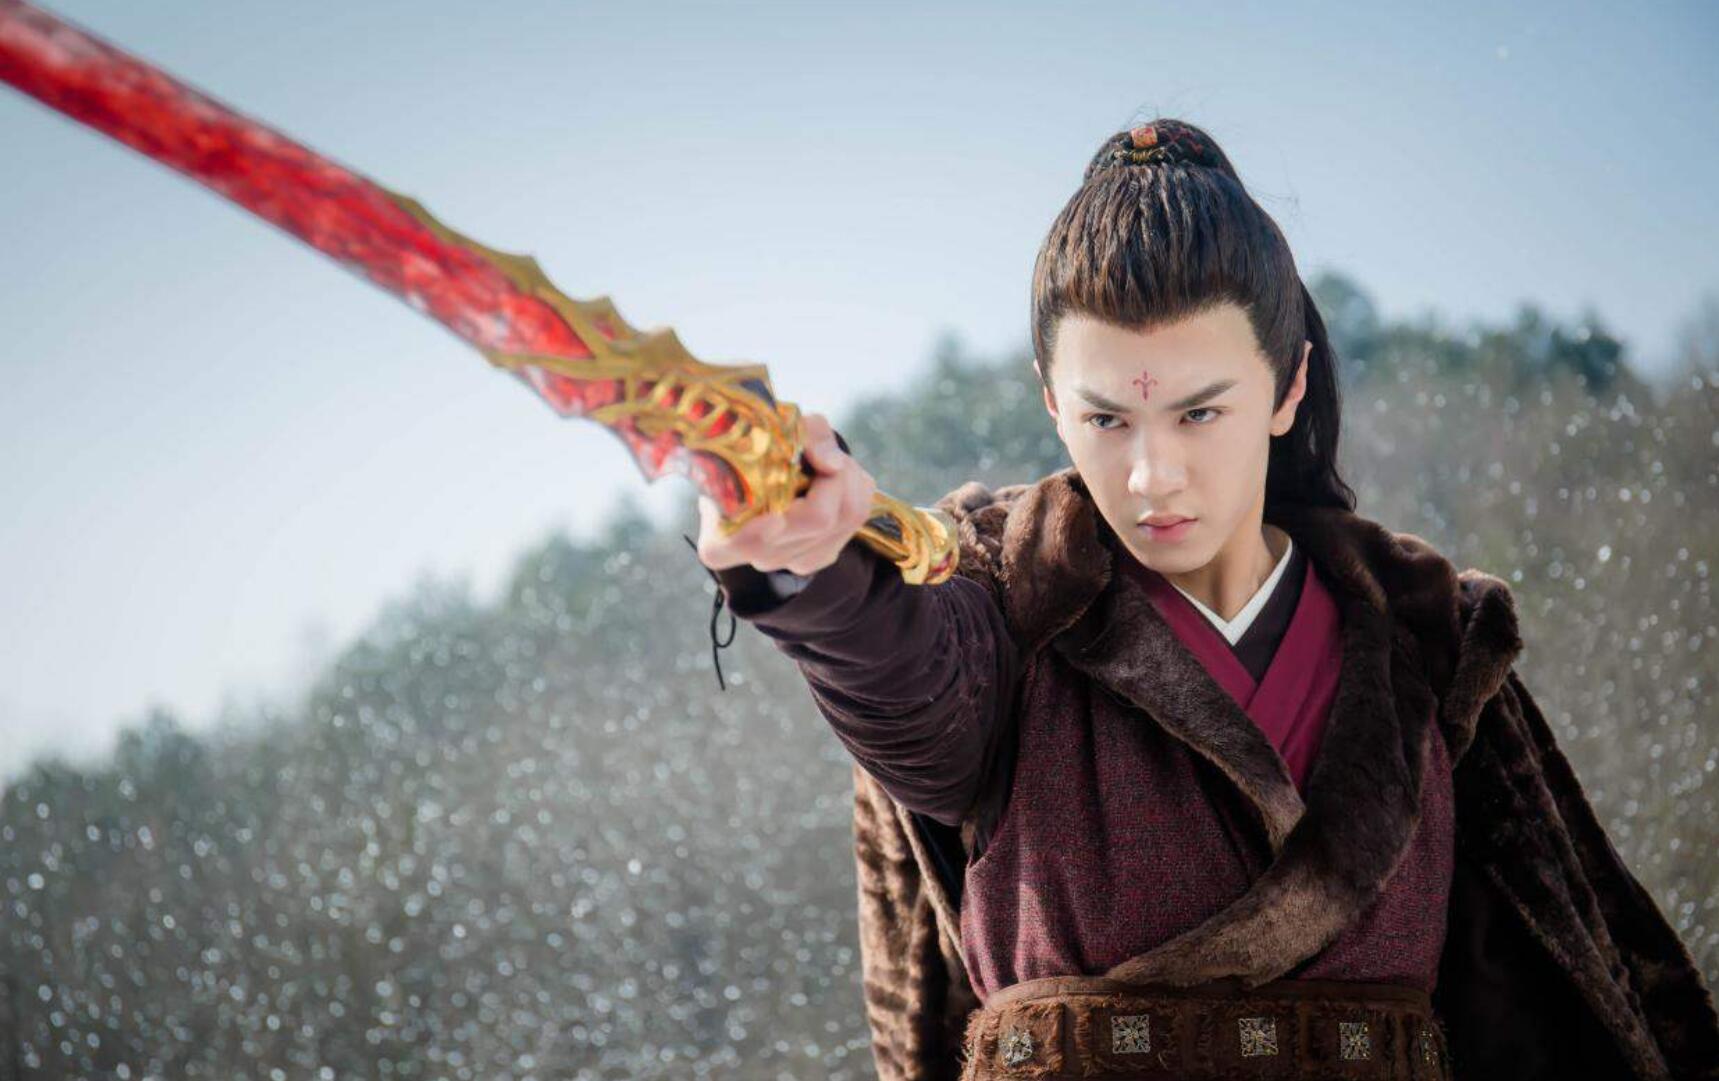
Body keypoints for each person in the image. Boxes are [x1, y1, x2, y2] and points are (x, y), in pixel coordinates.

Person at [691, 119, 1719, 1080]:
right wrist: (813, 568)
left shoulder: (1427, 644)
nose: (1152, 475)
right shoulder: (1004, 611)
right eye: (1107, 419)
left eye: (1200, 413)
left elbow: (1558, 998)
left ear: (1286, 386)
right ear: (1051, 402)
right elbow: (895, 666)